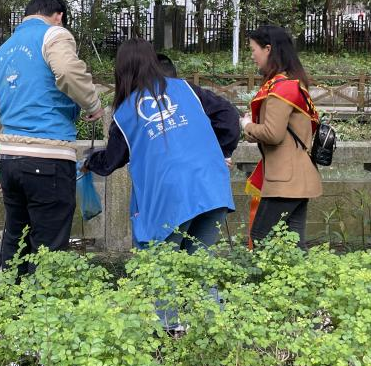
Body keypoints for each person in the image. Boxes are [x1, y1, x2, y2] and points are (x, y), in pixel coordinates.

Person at [0, 0, 103, 273]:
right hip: (48, 156)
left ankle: (9, 305)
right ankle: (43, 309)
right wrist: (92, 103)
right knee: (49, 247)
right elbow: (67, 71)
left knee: (16, 241)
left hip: (10, 160)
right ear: (58, 15)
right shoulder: (53, 34)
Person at [85, 40, 235, 251]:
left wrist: (90, 160)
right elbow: (228, 115)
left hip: (170, 199)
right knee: (200, 270)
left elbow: (111, 161)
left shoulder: (126, 111)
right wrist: (219, 152)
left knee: (165, 274)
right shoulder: (186, 88)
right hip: (212, 188)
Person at [241, 25, 322, 248]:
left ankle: (258, 282)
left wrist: (247, 125)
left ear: (268, 49)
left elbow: (272, 134)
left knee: (259, 238)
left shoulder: (280, 88)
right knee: (295, 244)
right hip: (298, 177)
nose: (252, 55)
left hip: (284, 181)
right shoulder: (294, 82)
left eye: (253, 49)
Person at [156, 53, 241, 166]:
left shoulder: (142, 101)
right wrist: (222, 153)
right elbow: (229, 114)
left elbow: (228, 114)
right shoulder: (191, 92)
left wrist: (222, 153)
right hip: (202, 170)